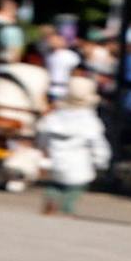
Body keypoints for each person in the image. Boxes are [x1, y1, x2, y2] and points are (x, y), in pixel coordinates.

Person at [33, 71, 109, 213]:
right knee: (77, 184)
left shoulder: (55, 116)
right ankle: (68, 205)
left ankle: (52, 198)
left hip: (55, 157)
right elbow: (97, 143)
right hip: (79, 159)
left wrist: (43, 149)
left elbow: (42, 134)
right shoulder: (90, 121)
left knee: (55, 183)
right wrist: (101, 160)